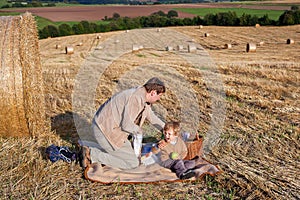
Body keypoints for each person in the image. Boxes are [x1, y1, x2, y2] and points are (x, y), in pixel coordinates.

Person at [81, 77, 166, 170]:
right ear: (153, 92)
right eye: (159, 95)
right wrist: (139, 132)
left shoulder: (142, 97)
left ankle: (88, 146)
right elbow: (126, 125)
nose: (159, 98)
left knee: (131, 154)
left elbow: (152, 117)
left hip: (105, 128)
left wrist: (166, 129)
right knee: (133, 163)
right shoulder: (136, 99)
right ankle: (92, 154)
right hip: (105, 131)